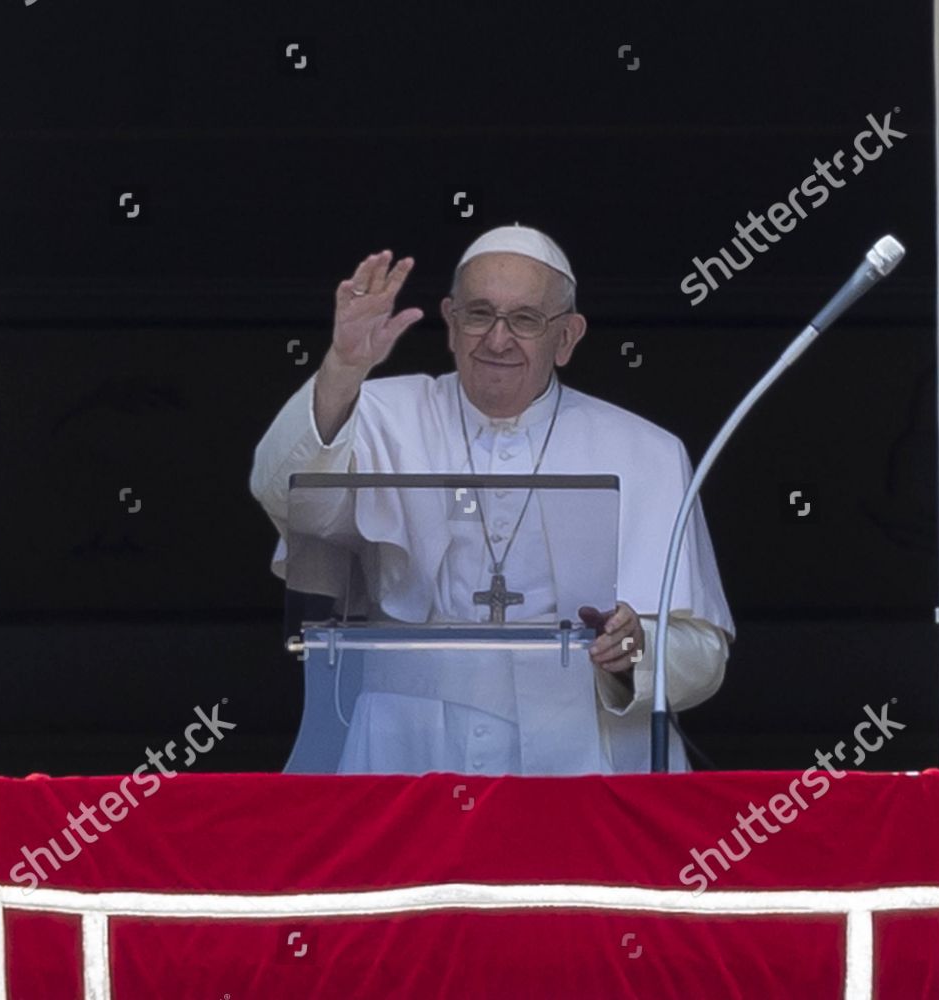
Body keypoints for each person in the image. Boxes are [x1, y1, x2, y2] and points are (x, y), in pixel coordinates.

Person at [250, 223, 734, 774]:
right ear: (451, 323)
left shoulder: (646, 450)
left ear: (568, 337)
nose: (497, 340)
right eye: (478, 314)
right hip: (404, 746)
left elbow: (704, 658)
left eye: (525, 319)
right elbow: (288, 497)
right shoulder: (378, 412)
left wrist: (634, 651)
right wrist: (342, 368)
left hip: (579, 755)